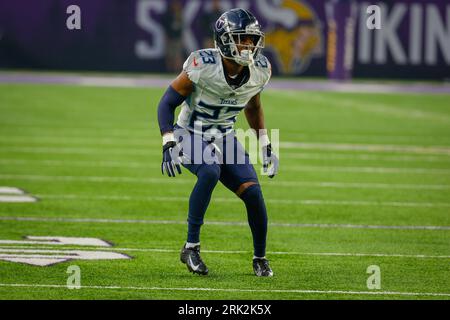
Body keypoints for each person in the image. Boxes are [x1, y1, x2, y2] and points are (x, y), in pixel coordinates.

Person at [157, 8, 278, 277]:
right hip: (188, 132)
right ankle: (191, 247)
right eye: (242, 39)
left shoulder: (259, 70)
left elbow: (253, 106)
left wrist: (265, 144)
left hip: (224, 136)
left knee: (254, 194)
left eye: (251, 39)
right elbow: (166, 103)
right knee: (210, 170)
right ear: (224, 40)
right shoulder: (203, 67)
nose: (248, 45)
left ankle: (260, 258)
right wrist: (168, 141)